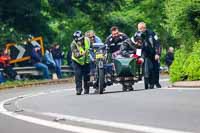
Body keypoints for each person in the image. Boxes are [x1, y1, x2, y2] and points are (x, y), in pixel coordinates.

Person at [137, 22, 161, 89]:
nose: (142, 29)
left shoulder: (152, 33)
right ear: (138, 29)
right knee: (149, 69)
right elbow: (137, 47)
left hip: (153, 53)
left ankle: (156, 82)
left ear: (145, 27)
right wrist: (137, 56)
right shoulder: (137, 35)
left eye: (143, 28)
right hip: (144, 54)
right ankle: (150, 83)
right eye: (140, 28)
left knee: (156, 68)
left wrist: (157, 53)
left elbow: (157, 43)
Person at [105, 26, 129, 90]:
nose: (116, 35)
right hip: (114, 55)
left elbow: (129, 45)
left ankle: (127, 82)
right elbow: (106, 49)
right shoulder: (109, 39)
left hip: (124, 54)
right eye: (114, 34)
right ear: (111, 34)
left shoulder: (124, 36)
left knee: (125, 64)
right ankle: (110, 75)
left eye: (117, 33)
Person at [71, 30, 91, 95]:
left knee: (87, 75)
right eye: (77, 40)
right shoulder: (73, 44)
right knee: (78, 74)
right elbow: (76, 55)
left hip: (86, 61)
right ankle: (78, 89)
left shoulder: (87, 40)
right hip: (77, 61)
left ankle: (86, 89)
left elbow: (92, 46)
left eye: (80, 39)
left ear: (83, 37)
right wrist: (82, 54)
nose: (79, 41)